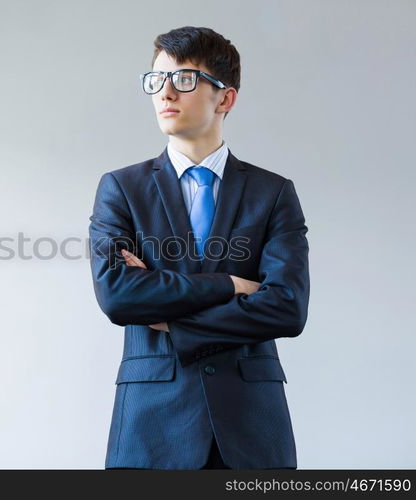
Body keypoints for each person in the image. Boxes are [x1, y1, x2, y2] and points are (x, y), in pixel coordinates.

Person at [88, 26, 310, 470]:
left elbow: (287, 308)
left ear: (225, 98)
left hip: (252, 426)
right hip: (151, 426)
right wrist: (231, 284)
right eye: (155, 80)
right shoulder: (122, 189)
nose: (165, 92)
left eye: (184, 79)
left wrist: (175, 322)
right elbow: (119, 296)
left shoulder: (273, 193)